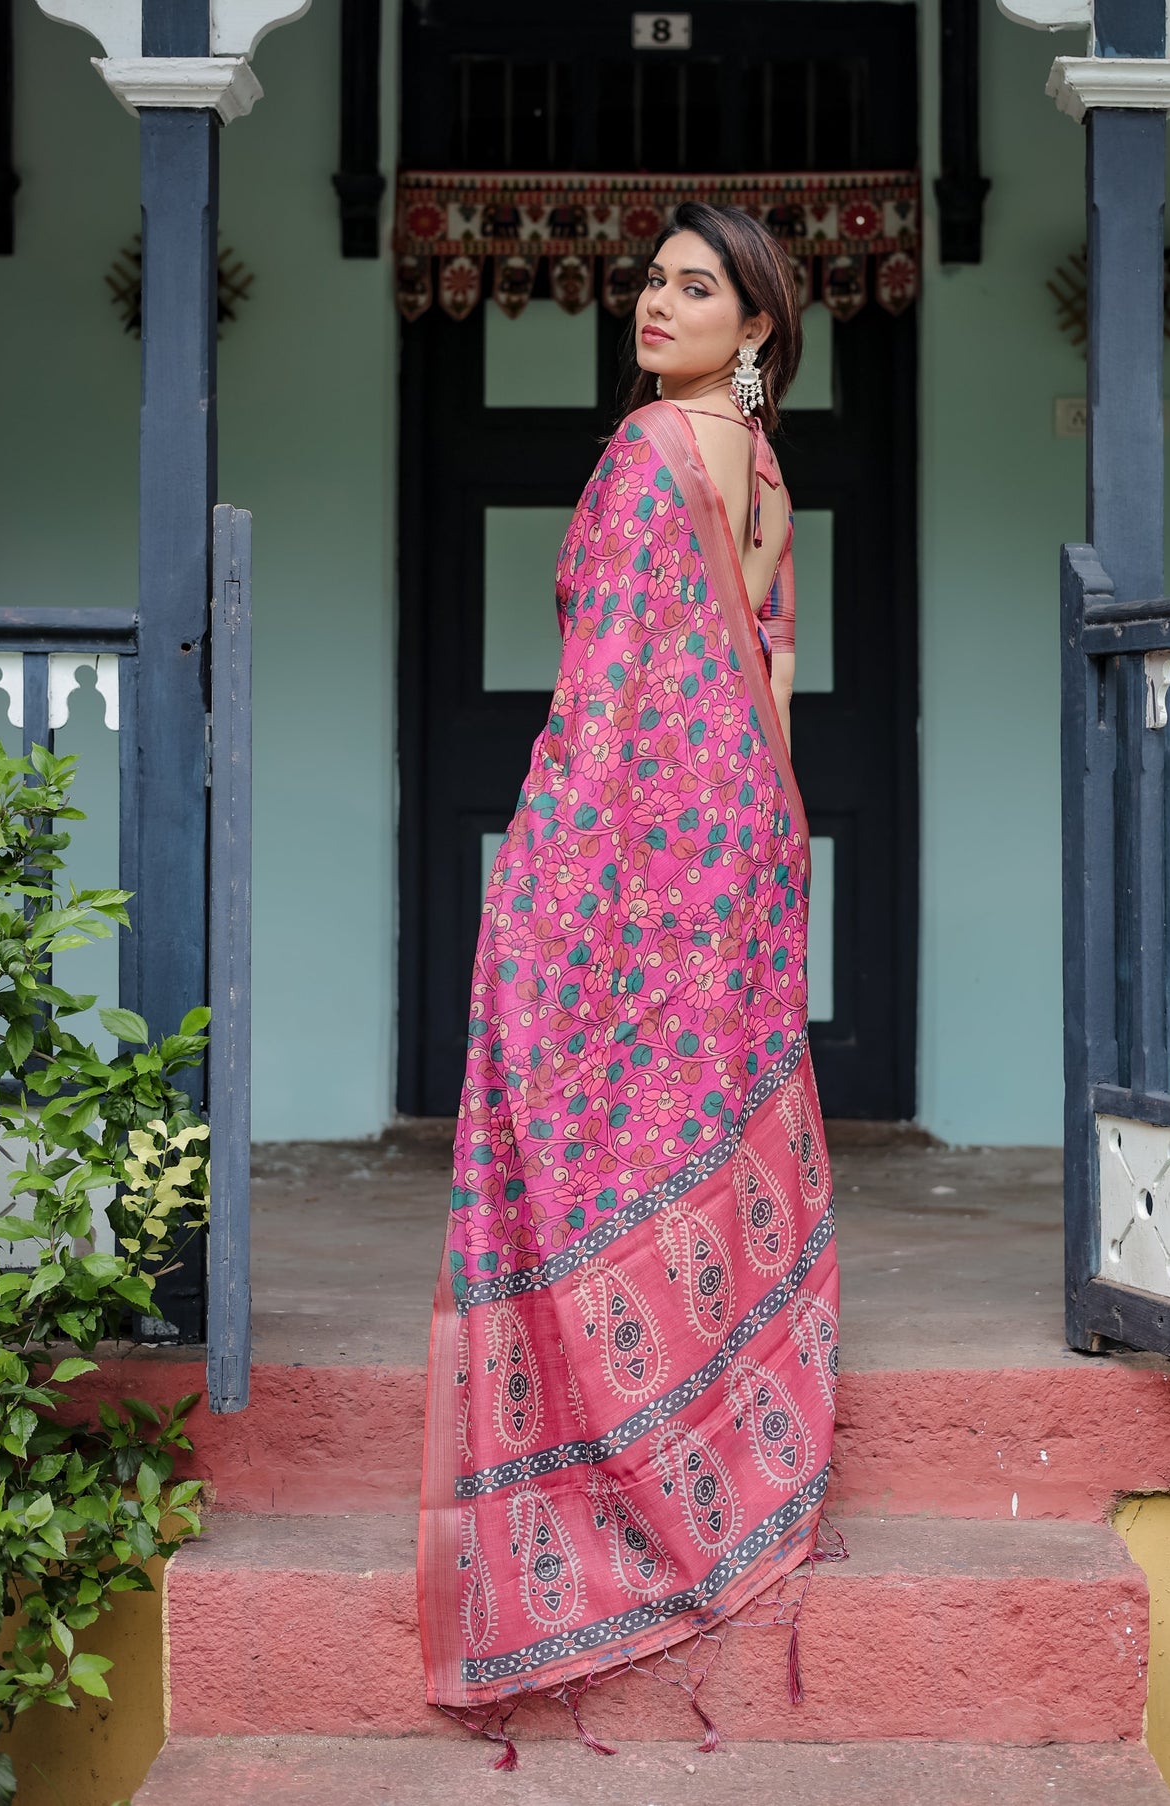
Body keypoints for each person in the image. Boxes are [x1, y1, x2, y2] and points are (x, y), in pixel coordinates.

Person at [418, 200, 840, 1764]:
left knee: (599, 1142)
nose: (654, 304)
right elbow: (765, 672)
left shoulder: (663, 448)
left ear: (757, 325)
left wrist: (549, 848)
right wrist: (772, 850)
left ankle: (633, 1480)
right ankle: (721, 1458)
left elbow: (611, 673)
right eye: (651, 279)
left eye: (694, 287)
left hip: (646, 826)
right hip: (732, 829)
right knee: (685, 1141)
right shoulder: (760, 467)